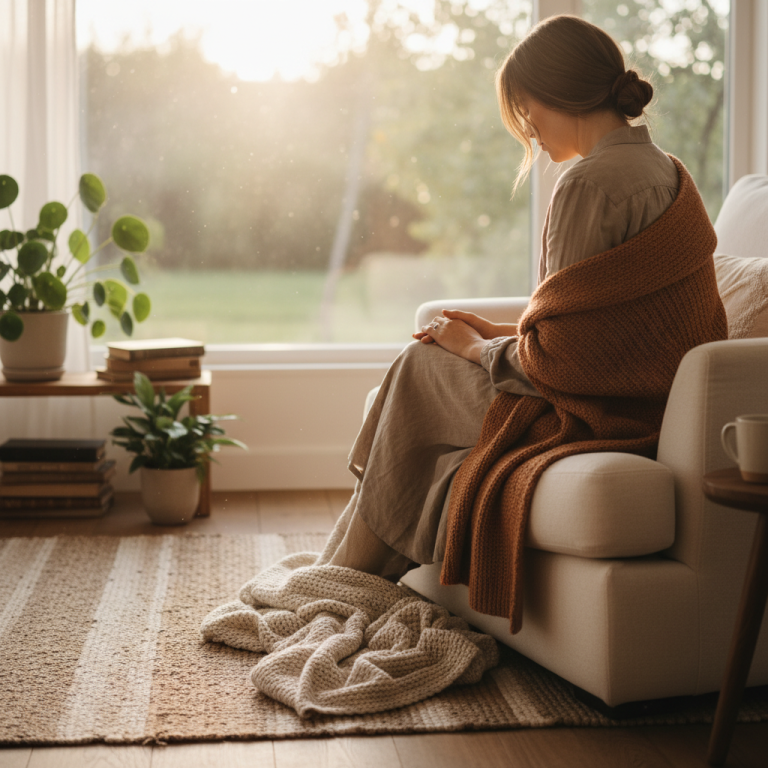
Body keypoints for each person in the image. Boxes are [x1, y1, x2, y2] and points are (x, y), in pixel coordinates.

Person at [318, 15, 726, 631]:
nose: (528, 126)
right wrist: (500, 334)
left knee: (419, 363)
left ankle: (349, 575)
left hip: (594, 411)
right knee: (427, 369)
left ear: (556, 93)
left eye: (525, 106)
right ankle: (354, 565)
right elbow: (603, 326)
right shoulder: (669, 171)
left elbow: (566, 361)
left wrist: (472, 349)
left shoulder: (586, 184)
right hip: (648, 401)